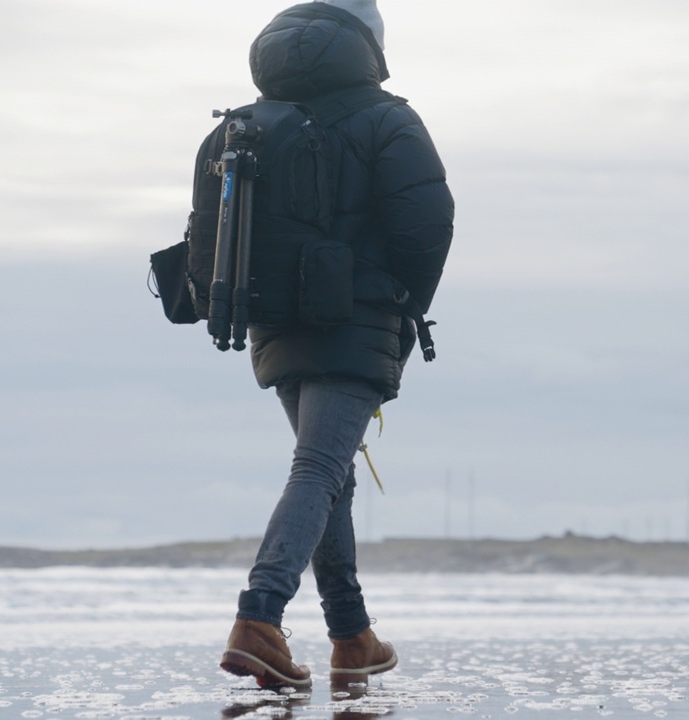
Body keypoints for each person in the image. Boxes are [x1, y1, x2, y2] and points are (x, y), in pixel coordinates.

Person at [217, 0, 454, 689]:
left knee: (329, 475)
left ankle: (352, 635)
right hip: (357, 318)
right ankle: (258, 616)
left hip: (271, 321)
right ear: (369, 45)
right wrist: (403, 307)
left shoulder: (249, 125)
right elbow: (428, 226)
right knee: (321, 467)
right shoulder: (388, 119)